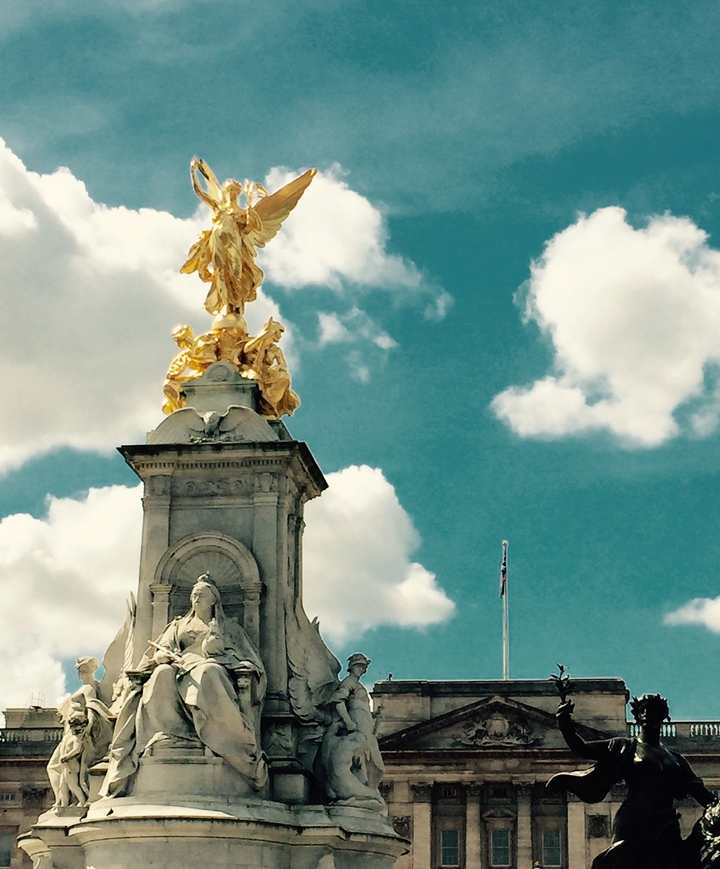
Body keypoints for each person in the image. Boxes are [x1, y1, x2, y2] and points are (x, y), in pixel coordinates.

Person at [101, 575, 267, 797]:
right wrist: (160, 658)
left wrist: (220, 654)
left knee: (209, 671)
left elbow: (246, 658)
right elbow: (161, 648)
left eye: (202, 595)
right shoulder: (178, 625)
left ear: (214, 600)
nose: (196, 598)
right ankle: (171, 733)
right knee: (161, 674)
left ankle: (218, 736)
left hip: (214, 668)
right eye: (194, 595)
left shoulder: (228, 628)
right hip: (179, 668)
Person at [549, 693, 717, 868]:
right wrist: (565, 725)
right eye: (641, 711)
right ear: (637, 716)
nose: (645, 714)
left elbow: (704, 796)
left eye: (650, 710)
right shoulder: (625, 747)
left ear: (662, 715)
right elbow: (583, 749)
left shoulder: (676, 759)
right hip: (634, 822)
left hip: (665, 825)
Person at [320, 653, 385, 810]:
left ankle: (363, 792)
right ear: (352, 667)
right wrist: (348, 722)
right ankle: (360, 793)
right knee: (370, 762)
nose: (361, 669)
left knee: (373, 764)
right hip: (356, 724)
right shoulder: (349, 682)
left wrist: (374, 716)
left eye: (363, 667)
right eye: (358, 666)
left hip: (364, 724)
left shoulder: (358, 685)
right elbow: (338, 702)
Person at [47, 657, 113, 807]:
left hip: (76, 731)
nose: (80, 673)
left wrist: (88, 726)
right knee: (58, 769)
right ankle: (63, 801)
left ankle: (69, 802)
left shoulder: (89, 688)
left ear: (89, 670)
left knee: (56, 767)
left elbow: (92, 706)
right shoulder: (86, 687)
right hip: (71, 730)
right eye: (79, 670)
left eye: (82, 669)